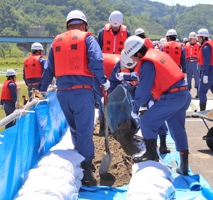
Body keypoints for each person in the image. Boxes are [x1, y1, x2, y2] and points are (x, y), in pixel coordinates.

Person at [39, 10, 110, 186]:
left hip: (62, 94)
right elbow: (96, 61)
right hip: (82, 92)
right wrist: (103, 81)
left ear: (67, 25)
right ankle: (87, 175)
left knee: (75, 130)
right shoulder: (87, 38)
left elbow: (49, 70)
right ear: (84, 24)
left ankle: (79, 167)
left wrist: (41, 92)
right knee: (85, 133)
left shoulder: (56, 41)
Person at [124, 36, 191, 175]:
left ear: (138, 53)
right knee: (177, 128)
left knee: (147, 121)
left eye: (132, 57)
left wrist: (135, 106)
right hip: (183, 94)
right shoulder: (157, 53)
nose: (132, 60)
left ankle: (151, 154)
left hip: (172, 96)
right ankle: (184, 166)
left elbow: (144, 89)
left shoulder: (146, 62)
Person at [110, 50, 171, 154]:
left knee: (156, 114)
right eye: (128, 66)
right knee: (131, 112)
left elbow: (150, 81)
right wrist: (110, 98)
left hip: (149, 89)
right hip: (131, 89)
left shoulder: (146, 64)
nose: (130, 67)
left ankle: (163, 144)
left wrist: (152, 99)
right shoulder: (119, 64)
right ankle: (129, 132)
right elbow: (113, 82)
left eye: (132, 65)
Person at [93, 53, 120, 135]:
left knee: (104, 98)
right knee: (104, 98)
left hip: (100, 69)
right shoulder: (124, 64)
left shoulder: (124, 60)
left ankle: (106, 126)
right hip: (98, 73)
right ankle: (103, 128)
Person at [197, 28, 213, 111]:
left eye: (199, 37)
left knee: (201, 92)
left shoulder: (205, 47)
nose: (198, 39)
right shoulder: (210, 44)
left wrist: (205, 74)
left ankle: (202, 111)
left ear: (203, 37)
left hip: (209, 71)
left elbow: (207, 62)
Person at [184, 32, 200, 98]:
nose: (194, 40)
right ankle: (188, 92)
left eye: (195, 38)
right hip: (188, 62)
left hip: (196, 62)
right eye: (193, 38)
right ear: (190, 39)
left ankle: (198, 92)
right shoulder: (186, 46)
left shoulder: (199, 45)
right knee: (189, 77)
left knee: (197, 77)